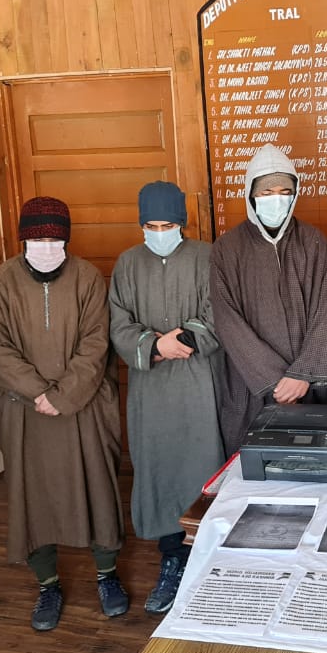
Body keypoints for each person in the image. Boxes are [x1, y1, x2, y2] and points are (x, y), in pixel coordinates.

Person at [0, 196, 127, 627]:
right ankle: (47, 585)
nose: (46, 245)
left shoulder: (86, 277)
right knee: (33, 497)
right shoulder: (0, 282)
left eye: (54, 237)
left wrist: (62, 395)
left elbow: (96, 342)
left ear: (66, 238)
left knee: (97, 489)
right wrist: (36, 392)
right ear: (23, 239)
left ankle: (107, 575)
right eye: (37, 238)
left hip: (82, 406)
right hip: (23, 410)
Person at [109, 181, 224, 615]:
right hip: (151, 386)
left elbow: (221, 309)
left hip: (198, 380)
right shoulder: (127, 264)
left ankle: (209, 563)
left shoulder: (206, 256)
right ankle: (172, 561)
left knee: (202, 466)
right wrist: (153, 346)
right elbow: (118, 322)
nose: (160, 231)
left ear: (182, 223)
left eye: (169, 224)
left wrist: (187, 339)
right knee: (159, 468)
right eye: (152, 225)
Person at [210, 143, 327, 455]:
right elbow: (228, 321)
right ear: (251, 195)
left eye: (284, 190)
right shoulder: (227, 249)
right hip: (252, 386)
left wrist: (303, 375)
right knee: (257, 473)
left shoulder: (313, 242)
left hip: (308, 387)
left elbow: (326, 311)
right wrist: (275, 380)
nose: (275, 199)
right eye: (266, 192)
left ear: (295, 193)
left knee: (315, 466)